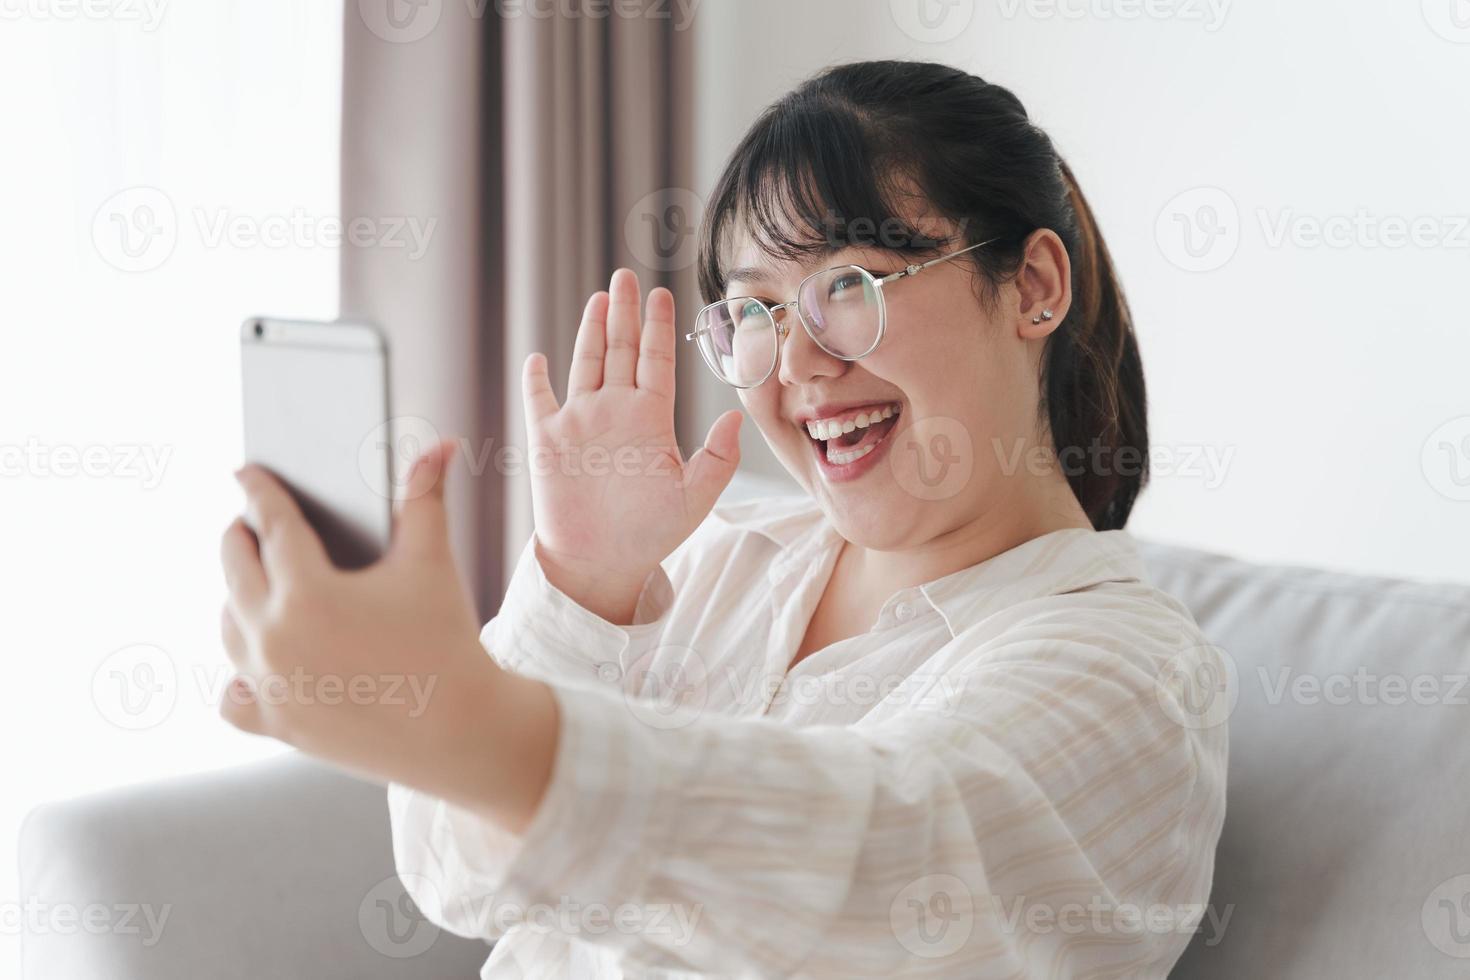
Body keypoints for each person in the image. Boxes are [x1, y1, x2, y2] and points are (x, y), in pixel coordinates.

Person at [219, 60, 1228, 978]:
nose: (796, 366)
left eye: (850, 284)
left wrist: (471, 720)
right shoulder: (722, 557)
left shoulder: (1133, 669)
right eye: (757, 312)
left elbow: (891, 864)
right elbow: (455, 879)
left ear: (1034, 286)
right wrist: (578, 579)